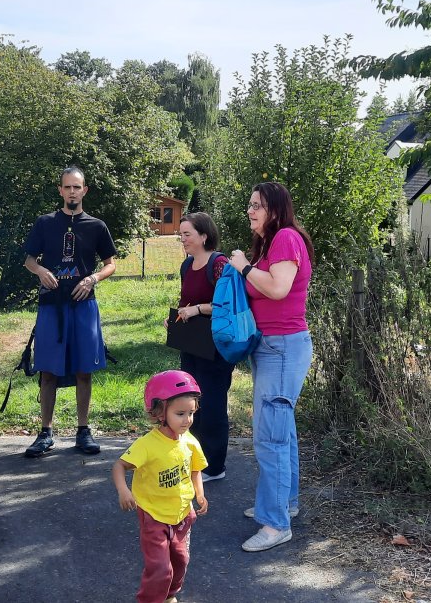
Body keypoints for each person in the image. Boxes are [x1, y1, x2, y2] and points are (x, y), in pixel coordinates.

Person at [227, 182, 313, 553]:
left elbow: (278, 288)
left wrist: (243, 266)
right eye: (250, 205)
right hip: (273, 347)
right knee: (283, 432)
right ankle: (285, 504)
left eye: (258, 206)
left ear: (276, 210)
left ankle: (275, 523)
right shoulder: (272, 244)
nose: (251, 211)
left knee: (271, 437)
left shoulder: (286, 239)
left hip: (281, 349)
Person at [22, 166, 117, 457]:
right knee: (47, 370)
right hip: (52, 305)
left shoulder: (96, 226)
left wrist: (92, 279)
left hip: (83, 305)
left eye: (77, 187)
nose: (72, 192)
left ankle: (83, 430)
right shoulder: (45, 223)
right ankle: (46, 432)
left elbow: (111, 264)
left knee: (83, 369)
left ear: (84, 190)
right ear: (60, 190)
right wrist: (40, 271)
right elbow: (28, 260)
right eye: (68, 187)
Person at [112, 370, 208, 603]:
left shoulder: (190, 441)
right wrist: (124, 491)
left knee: (181, 561)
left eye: (191, 413)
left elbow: (195, 468)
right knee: (160, 568)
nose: (187, 420)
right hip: (153, 514)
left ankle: (169, 596)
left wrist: (200, 494)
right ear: (158, 412)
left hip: (182, 513)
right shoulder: (147, 445)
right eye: (180, 413)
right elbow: (119, 466)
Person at [168, 212, 235, 482]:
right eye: (181, 234)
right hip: (192, 344)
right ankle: (196, 461)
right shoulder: (187, 266)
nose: (182, 238)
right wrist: (176, 318)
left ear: (204, 235)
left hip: (216, 346)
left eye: (187, 234)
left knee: (214, 404)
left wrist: (196, 310)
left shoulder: (219, 264)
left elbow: (226, 305)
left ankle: (215, 467)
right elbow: (187, 301)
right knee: (192, 403)